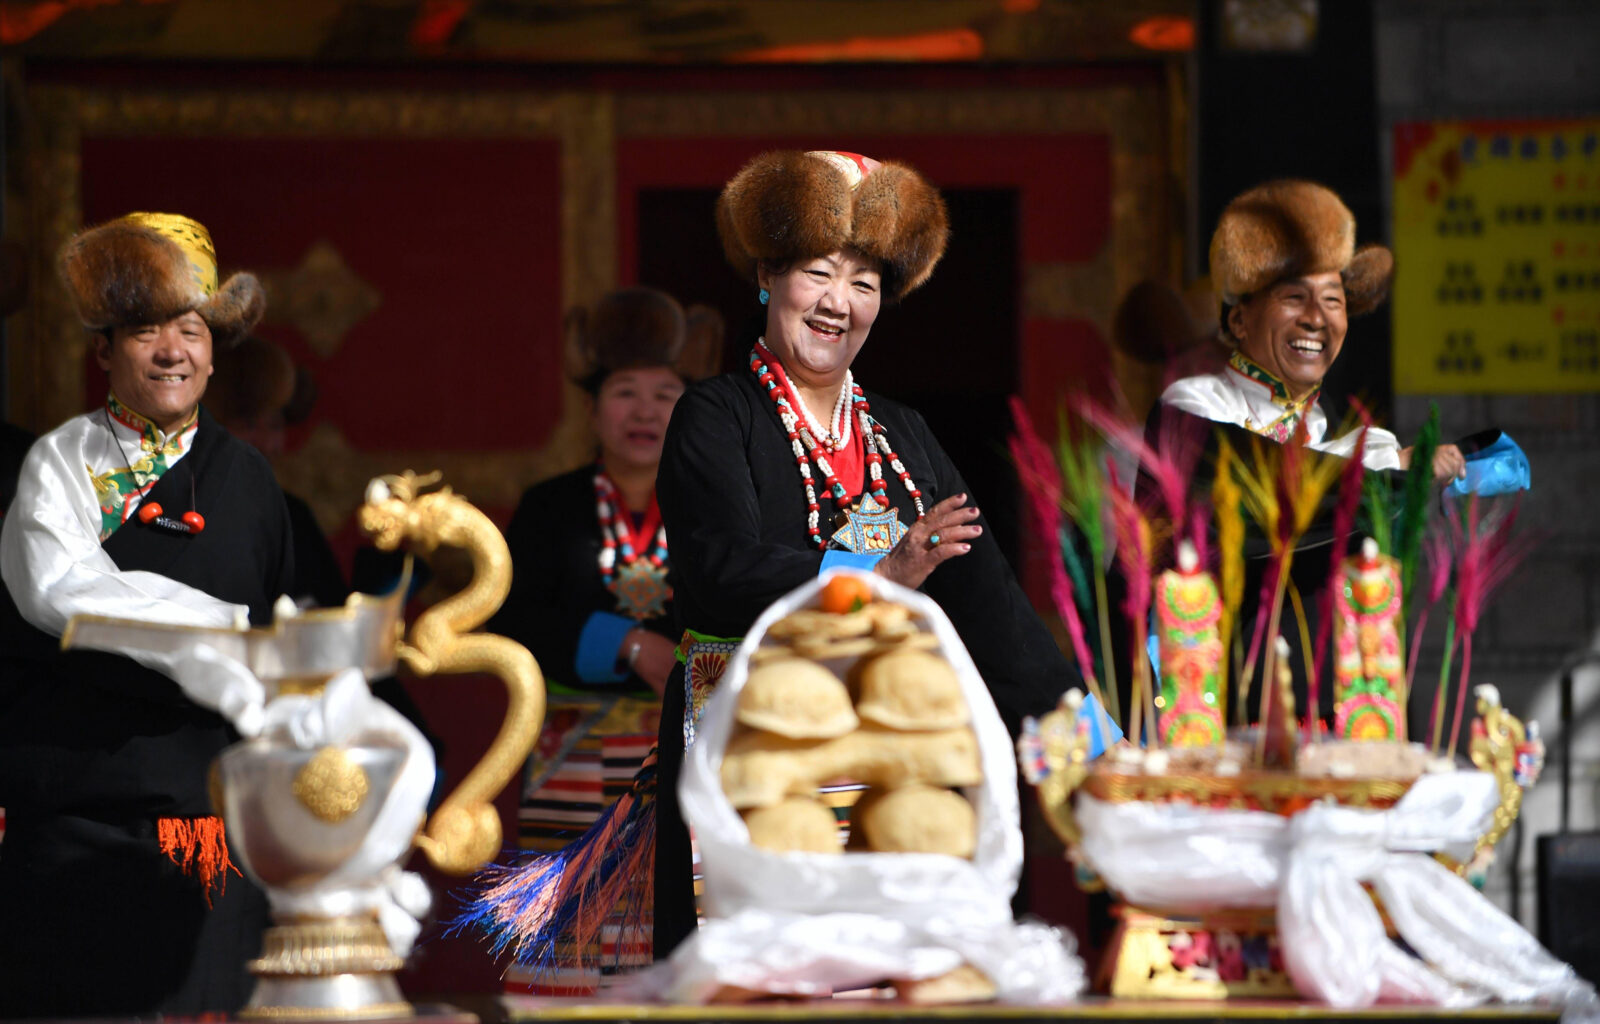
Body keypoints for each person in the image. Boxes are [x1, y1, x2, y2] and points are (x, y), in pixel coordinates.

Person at [652, 150, 1087, 956]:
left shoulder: (903, 436)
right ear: (766, 277)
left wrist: (1084, 729)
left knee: (884, 974)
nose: (839, 304)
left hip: (887, 744)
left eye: (865, 283)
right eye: (819, 273)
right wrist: (873, 576)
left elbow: (985, 598)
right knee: (758, 984)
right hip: (748, 737)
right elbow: (717, 572)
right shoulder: (718, 415)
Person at [0, 213, 292, 1016]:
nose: (173, 351)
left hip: (203, 834)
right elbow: (52, 594)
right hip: (70, 823)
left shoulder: (251, 482)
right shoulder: (57, 465)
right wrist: (217, 631)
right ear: (103, 351)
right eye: (145, 331)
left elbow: (276, 640)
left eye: (190, 329)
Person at [1135, 180, 1467, 721]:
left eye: (1333, 300)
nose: (1317, 317)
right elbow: (1261, 482)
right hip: (1213, 705)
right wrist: (1390, 473)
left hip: (1329, 712)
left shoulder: (1349, 439)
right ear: (1239, 319)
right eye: (1294, 297)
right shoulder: (1193, 408)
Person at [485, 286, 721, 987]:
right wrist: (626, 643)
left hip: (684, 751)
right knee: (574, 943)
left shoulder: (715, 509)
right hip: (573, 759)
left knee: (682, 922)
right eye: (625, 392)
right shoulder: (551, 507)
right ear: (592, 409)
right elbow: (517, 617)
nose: (646, 411)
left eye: (666, 393)